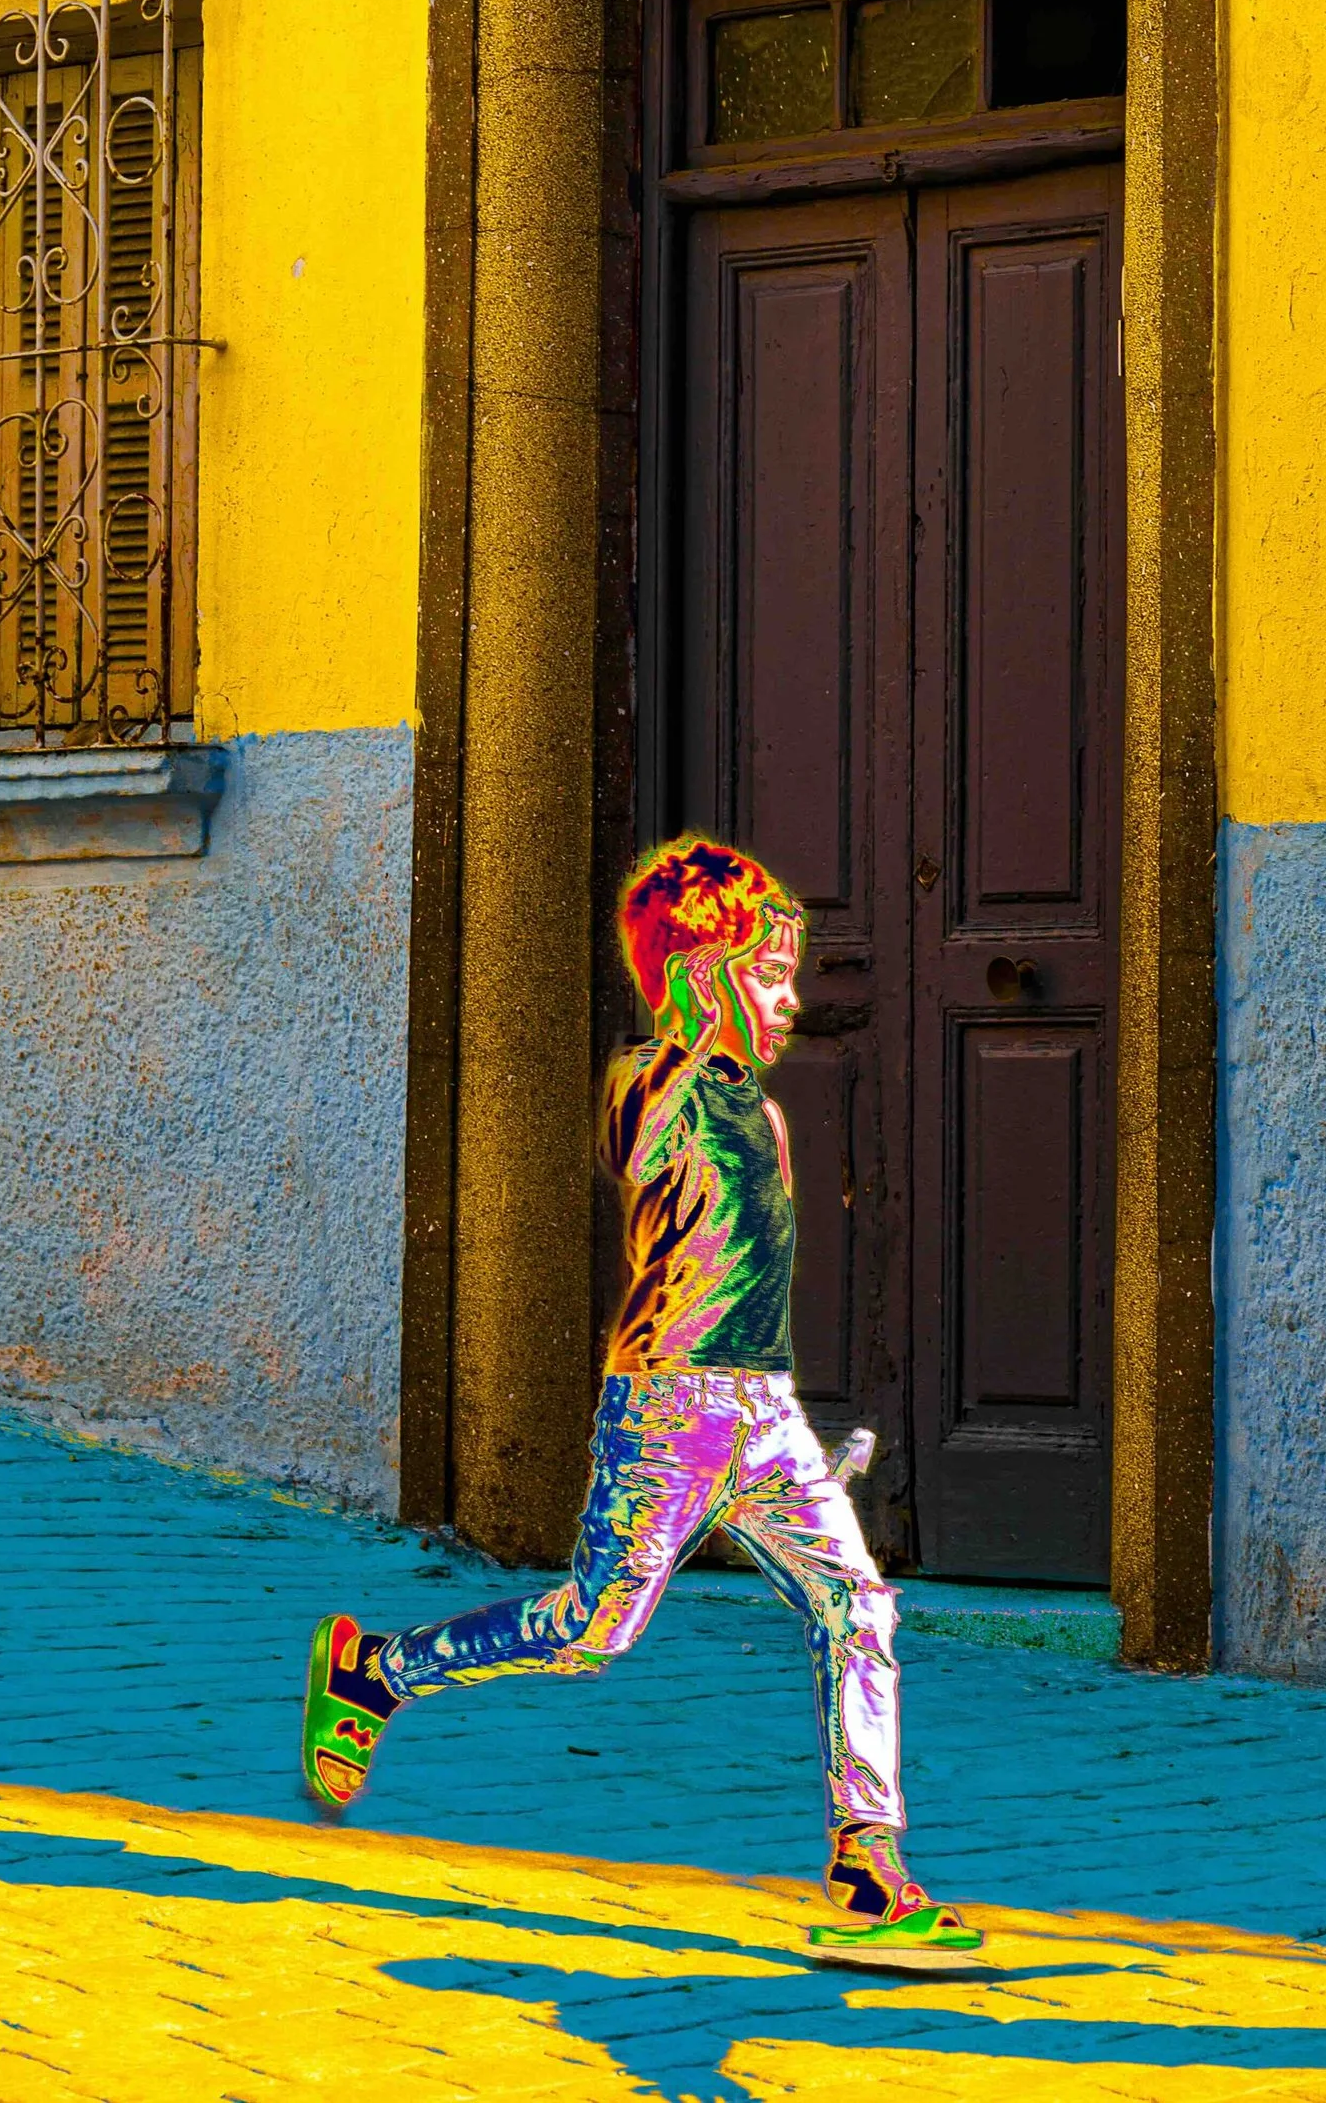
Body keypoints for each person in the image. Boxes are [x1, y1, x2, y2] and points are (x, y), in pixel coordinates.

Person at [297, 833, 981, 1974]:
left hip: (762, 1414)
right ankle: (375, 1670)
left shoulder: (758, 1115)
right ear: (707, 973)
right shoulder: (646, 1083)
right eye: (768, 973)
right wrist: (698, 1000)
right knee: (588, 1630)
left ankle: (870, 1869)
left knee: (858, 1608)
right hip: (666, 1408)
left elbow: (751, 1267)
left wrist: (793, 1455)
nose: (792, 1000)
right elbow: (641, 1160)